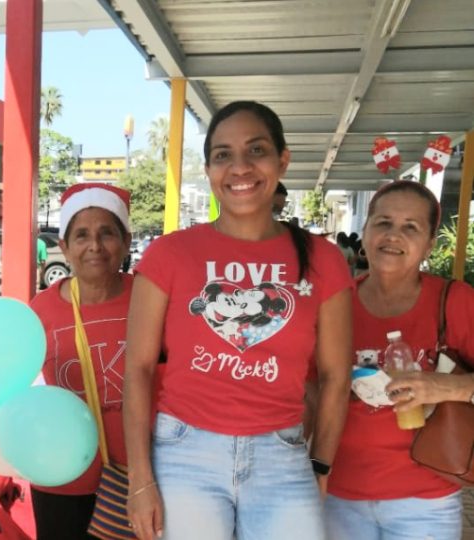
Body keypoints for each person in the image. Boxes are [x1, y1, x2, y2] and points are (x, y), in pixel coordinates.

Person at [123, 100, 352, 540]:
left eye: (257, 150)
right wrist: (140, 479)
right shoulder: (169, 254)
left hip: (282, 455)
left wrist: (321, 465)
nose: (240, 167)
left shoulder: (323, 259)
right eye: (223, 155)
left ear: (283, 160)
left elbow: (336, 377)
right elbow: (138, 369)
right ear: (209, 169)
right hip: (184, 453)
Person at [325, 180, 474, 540]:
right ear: (365, 231)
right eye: (384, 222)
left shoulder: (455, 302)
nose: (394, 235)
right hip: (339, 496)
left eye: (411, 227)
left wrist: (447, 387)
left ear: (430, 244)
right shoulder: (335, 303)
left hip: (426, 501)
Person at [29, 183, 133, 539]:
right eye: (82, 235)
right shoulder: (41, 309)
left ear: (126, 241)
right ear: (64, 247)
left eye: (107, 233)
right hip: (60, 475)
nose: (95, 246)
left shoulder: (149, 298)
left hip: (136, 476)